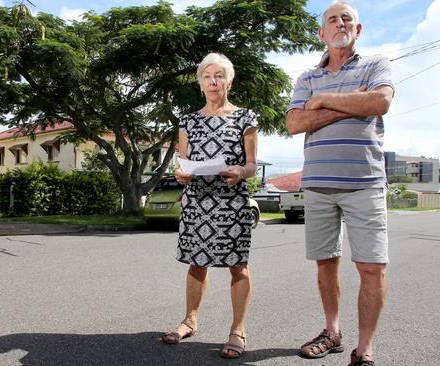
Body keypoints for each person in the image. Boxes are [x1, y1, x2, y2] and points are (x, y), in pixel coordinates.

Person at [285, 1, 394, 365]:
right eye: (332, 19)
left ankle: (364, 349)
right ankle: (332, 332)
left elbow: (379, 101)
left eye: (347, 18)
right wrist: (352, 104)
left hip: (364, 182)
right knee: (325, 262)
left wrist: (326, 101)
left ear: (358, 30)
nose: (340, 23)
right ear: (321, 33)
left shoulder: (375, 64)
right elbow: (295, 123)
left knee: (372, 266)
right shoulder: (306, 78)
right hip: (318, 185)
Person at [162, 52, 258, 360]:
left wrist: (240, 171)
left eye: (219, 76)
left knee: (237, 265)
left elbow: (252, 165)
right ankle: (190, 320)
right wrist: (180, 174)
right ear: (200, 83)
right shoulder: (187, 121)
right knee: (196, 262)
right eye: (207, 76)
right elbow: (183, 163)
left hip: (232, 201)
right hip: (197, 202)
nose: (213, 81)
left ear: (230, 81)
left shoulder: (246, 117)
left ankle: (238, 330)